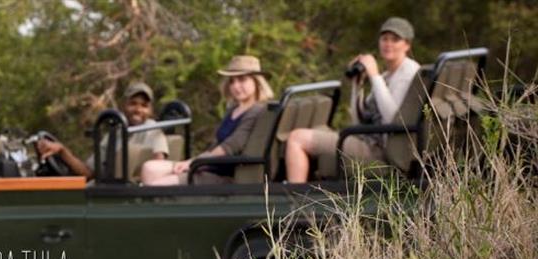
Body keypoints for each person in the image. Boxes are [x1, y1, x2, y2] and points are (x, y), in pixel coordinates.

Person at [284, 17, 420, 183]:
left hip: (384, 151)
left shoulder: (409, 72)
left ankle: (293, 203)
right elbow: (358, 121)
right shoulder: (387, 76)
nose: (388, 44)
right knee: (313, 130)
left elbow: (393, 118)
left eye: (395, 39)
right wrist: (358, 84)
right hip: (367, 140)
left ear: (407, 45)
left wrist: (374, 76)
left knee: (297, 138)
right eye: (384, 39)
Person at [141, 55, 274, 186]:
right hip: (210, 166)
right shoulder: (233, 110)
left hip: (225, 175)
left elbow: (230, 147)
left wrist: (192, 163)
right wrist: (192, 162)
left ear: (256, 82)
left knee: (158, 185)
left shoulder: (257, 111)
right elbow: (215, 145)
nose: (235, 86)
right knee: (150, 168)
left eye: (242, 80)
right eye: (232, 81)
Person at [36, 82, 168, 181]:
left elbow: (159, 165)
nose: (138, 109)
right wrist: (62, 151)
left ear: (150, 110)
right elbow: (89, 172)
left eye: (144, 106)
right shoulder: (115, 133)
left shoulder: (152, 130)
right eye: (133, 103)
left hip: (127, 195)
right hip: (108, 191)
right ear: (124, 105)